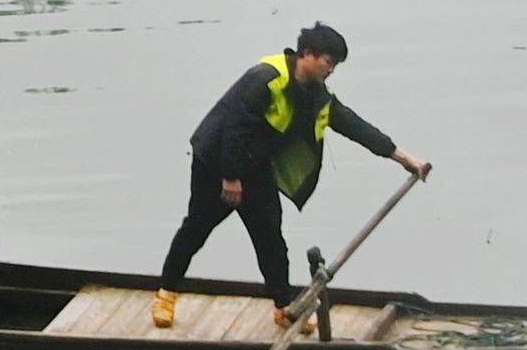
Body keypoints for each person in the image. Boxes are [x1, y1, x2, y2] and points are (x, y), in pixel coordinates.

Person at [153, 22, 422, 330]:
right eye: (329, 61)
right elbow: (234, 128)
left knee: (271, 238)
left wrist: (403, 158)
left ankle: (283, 307)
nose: (332, 69)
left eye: (336, 64)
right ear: (308, 54)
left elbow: (353, 125)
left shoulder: (315, 95)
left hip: (255, 169)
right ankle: (166, 294)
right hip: (215, 163)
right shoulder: (265, 79)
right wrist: (230, 177)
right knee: (197, 228)